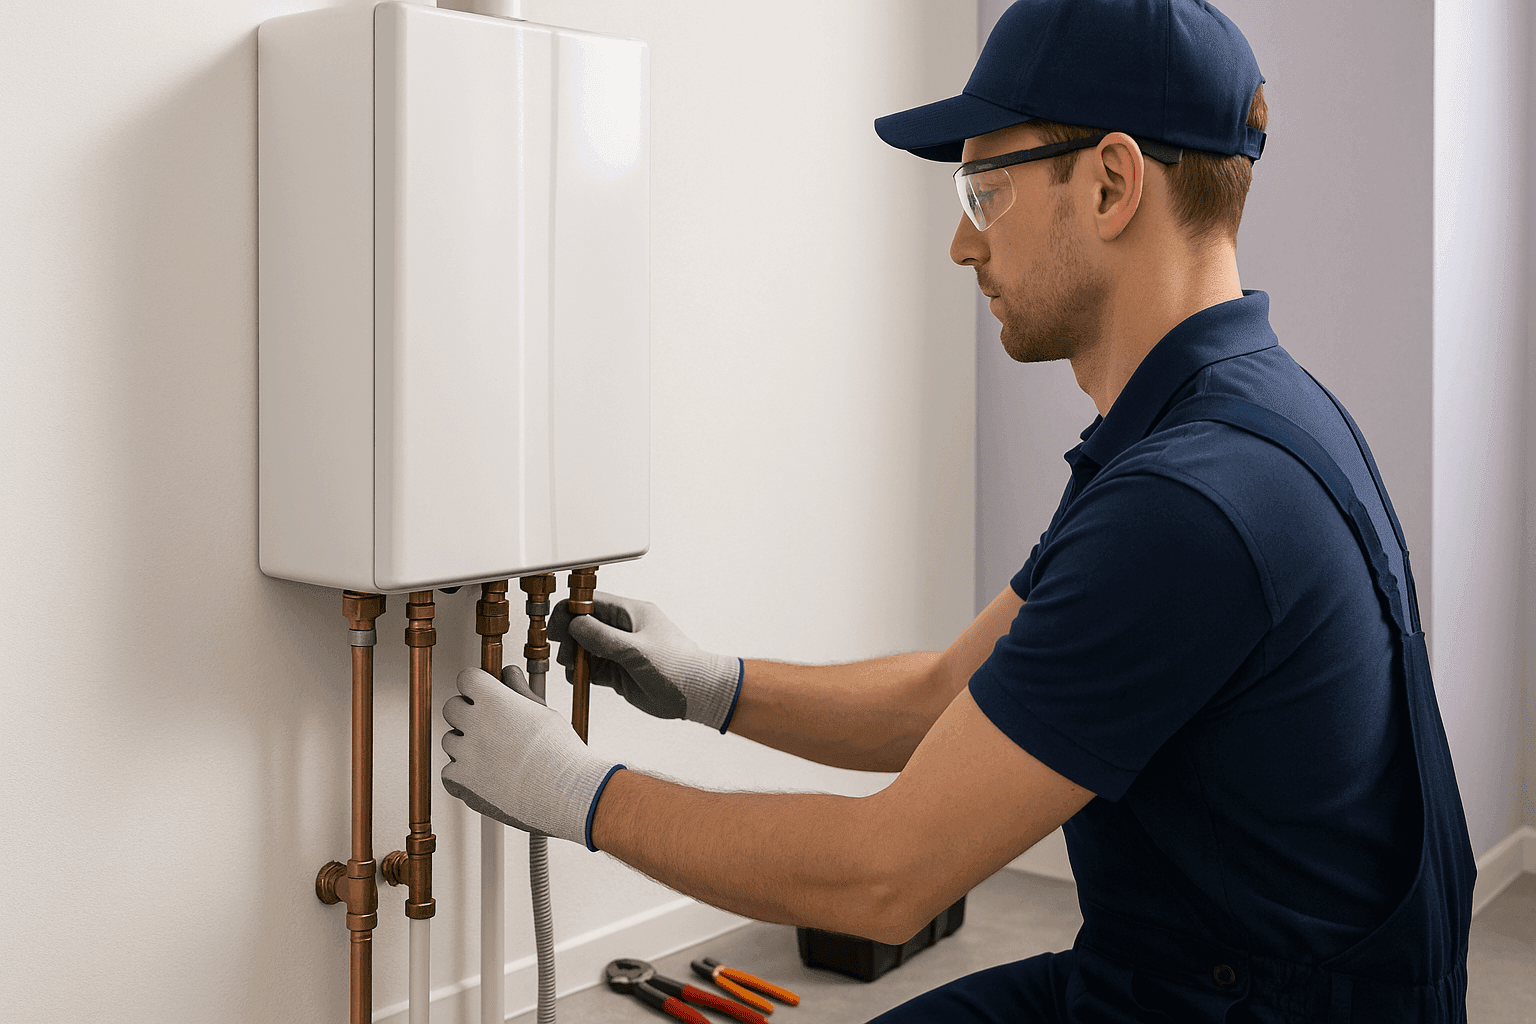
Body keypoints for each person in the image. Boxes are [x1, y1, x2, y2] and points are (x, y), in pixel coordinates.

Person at [439, 1, 1476, 1020]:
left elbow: (883, 876)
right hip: (1172, 969)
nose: (961, 245)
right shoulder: (1227, 417)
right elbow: (947, 695)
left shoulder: (1190, 505)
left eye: (985, 191)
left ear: (1112, 182)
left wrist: (578, 794)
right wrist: (715, 685)